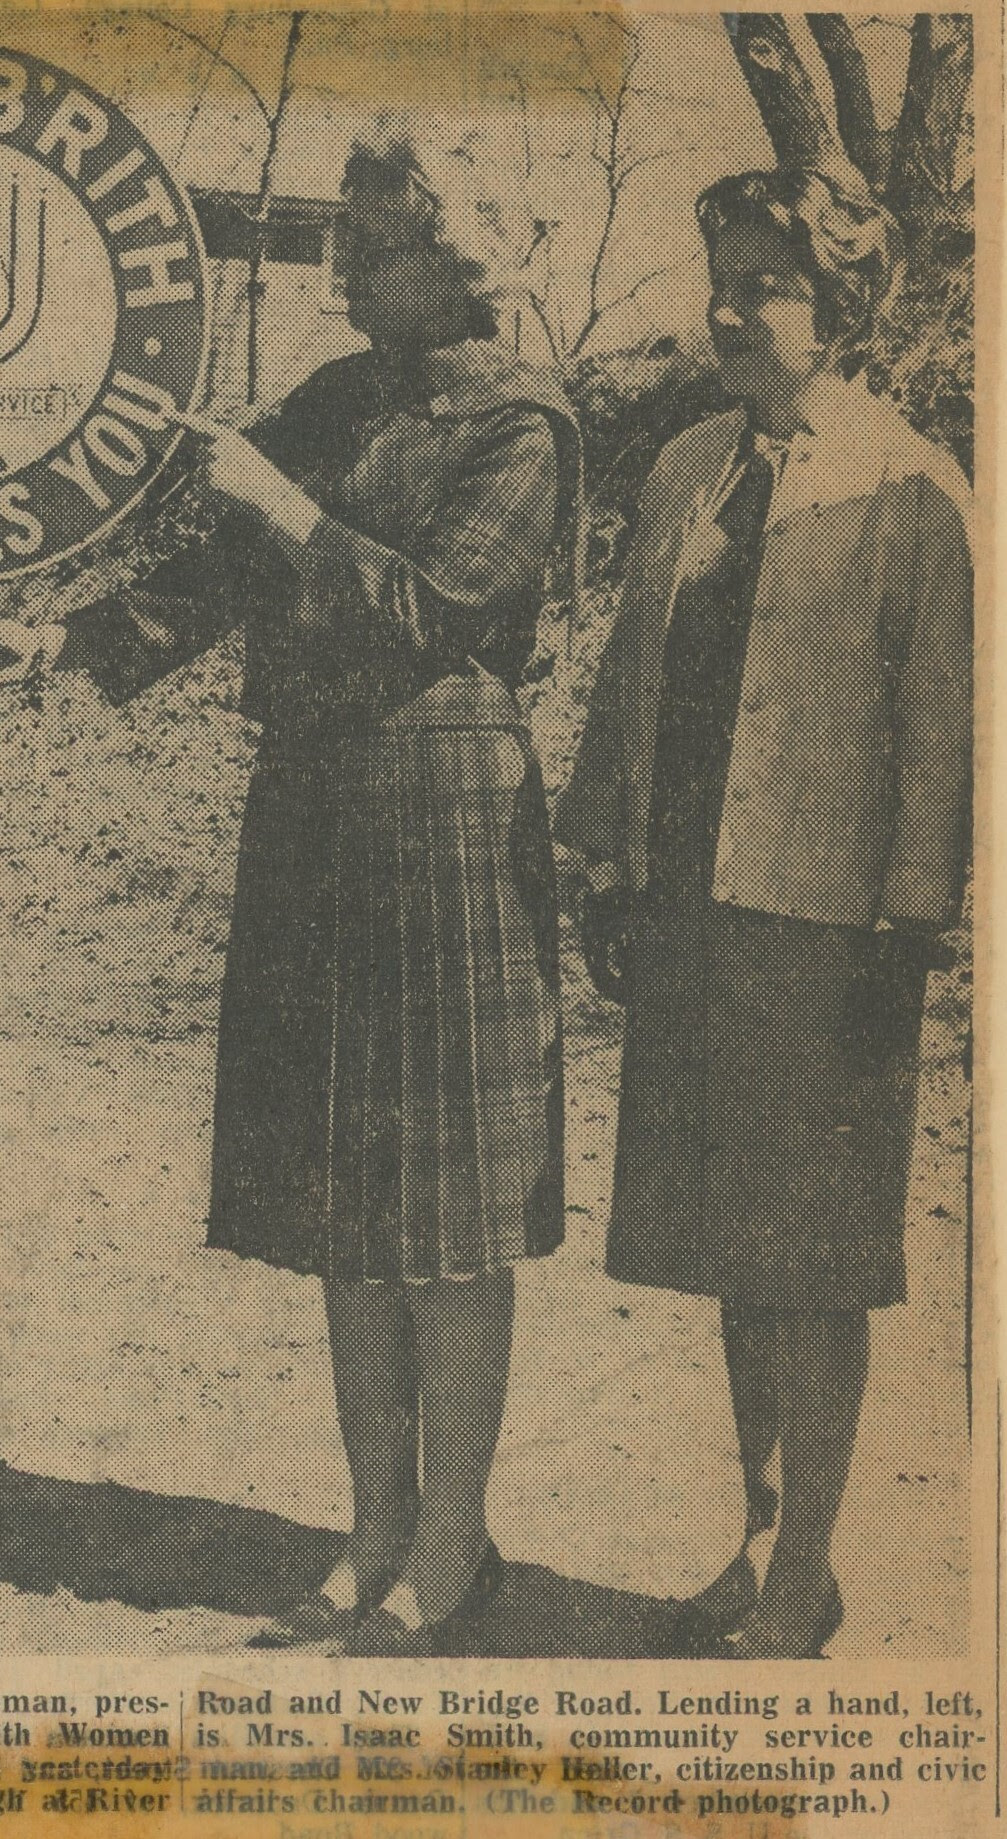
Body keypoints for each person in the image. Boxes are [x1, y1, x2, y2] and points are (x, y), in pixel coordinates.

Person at [0, 134, 580, 1655]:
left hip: (444, 808)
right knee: (348, 1192)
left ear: (463, 256)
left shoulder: (523, 423)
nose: (345, 275)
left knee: (447, 1208)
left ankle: (455, 1547)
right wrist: (79, 644)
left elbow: (435, 613)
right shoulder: (340, 399)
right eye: (345, 245)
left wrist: (290, 509)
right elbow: (227, 567)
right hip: (316, 807)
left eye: (374, 249)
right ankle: (370, 1530)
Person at [556, 166, 971, 1658]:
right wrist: (604, 864)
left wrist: (910, 921)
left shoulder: (913, 487)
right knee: (732, 1247)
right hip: (694, 908)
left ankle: (811, 1570)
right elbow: (629, 683)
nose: (731, 310)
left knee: (811, 1256)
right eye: (722, 279)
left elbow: (944, 732)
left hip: (828, 928)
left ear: (840, 306)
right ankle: (753, 1537)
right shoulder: (686, 469)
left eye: (769, 285)